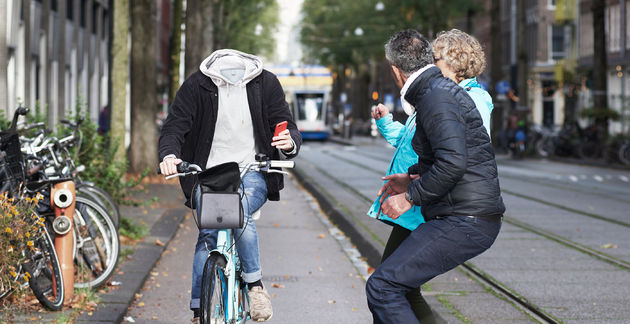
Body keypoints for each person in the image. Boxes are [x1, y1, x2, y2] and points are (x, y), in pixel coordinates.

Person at [365, 29, 505, 324]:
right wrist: (412, 177)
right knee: (393, 285)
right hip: (440, 202)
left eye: (437, 57)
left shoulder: (443, 97)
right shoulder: (435, 95)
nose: (433, 61)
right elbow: (436, 149)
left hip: (453, 209)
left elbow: (456, 159)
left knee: (387, 286)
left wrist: (410, 196)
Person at [158, 49, 302, 323]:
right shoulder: (197, 84)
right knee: (208, 235)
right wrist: (168, 156)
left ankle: (255, 286)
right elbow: (174, 127)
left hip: (252, 172)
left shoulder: (266, 83)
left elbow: (287, 126)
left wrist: (289, 142)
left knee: (238, 210)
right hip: (207, 174)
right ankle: (199, 311)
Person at [432, 29, 493, 138]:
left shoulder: (472, 98)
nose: (432, 64)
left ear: (455, 61)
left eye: (435, 59)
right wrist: (389, 124)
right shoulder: (449, 94)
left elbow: (477, 148)